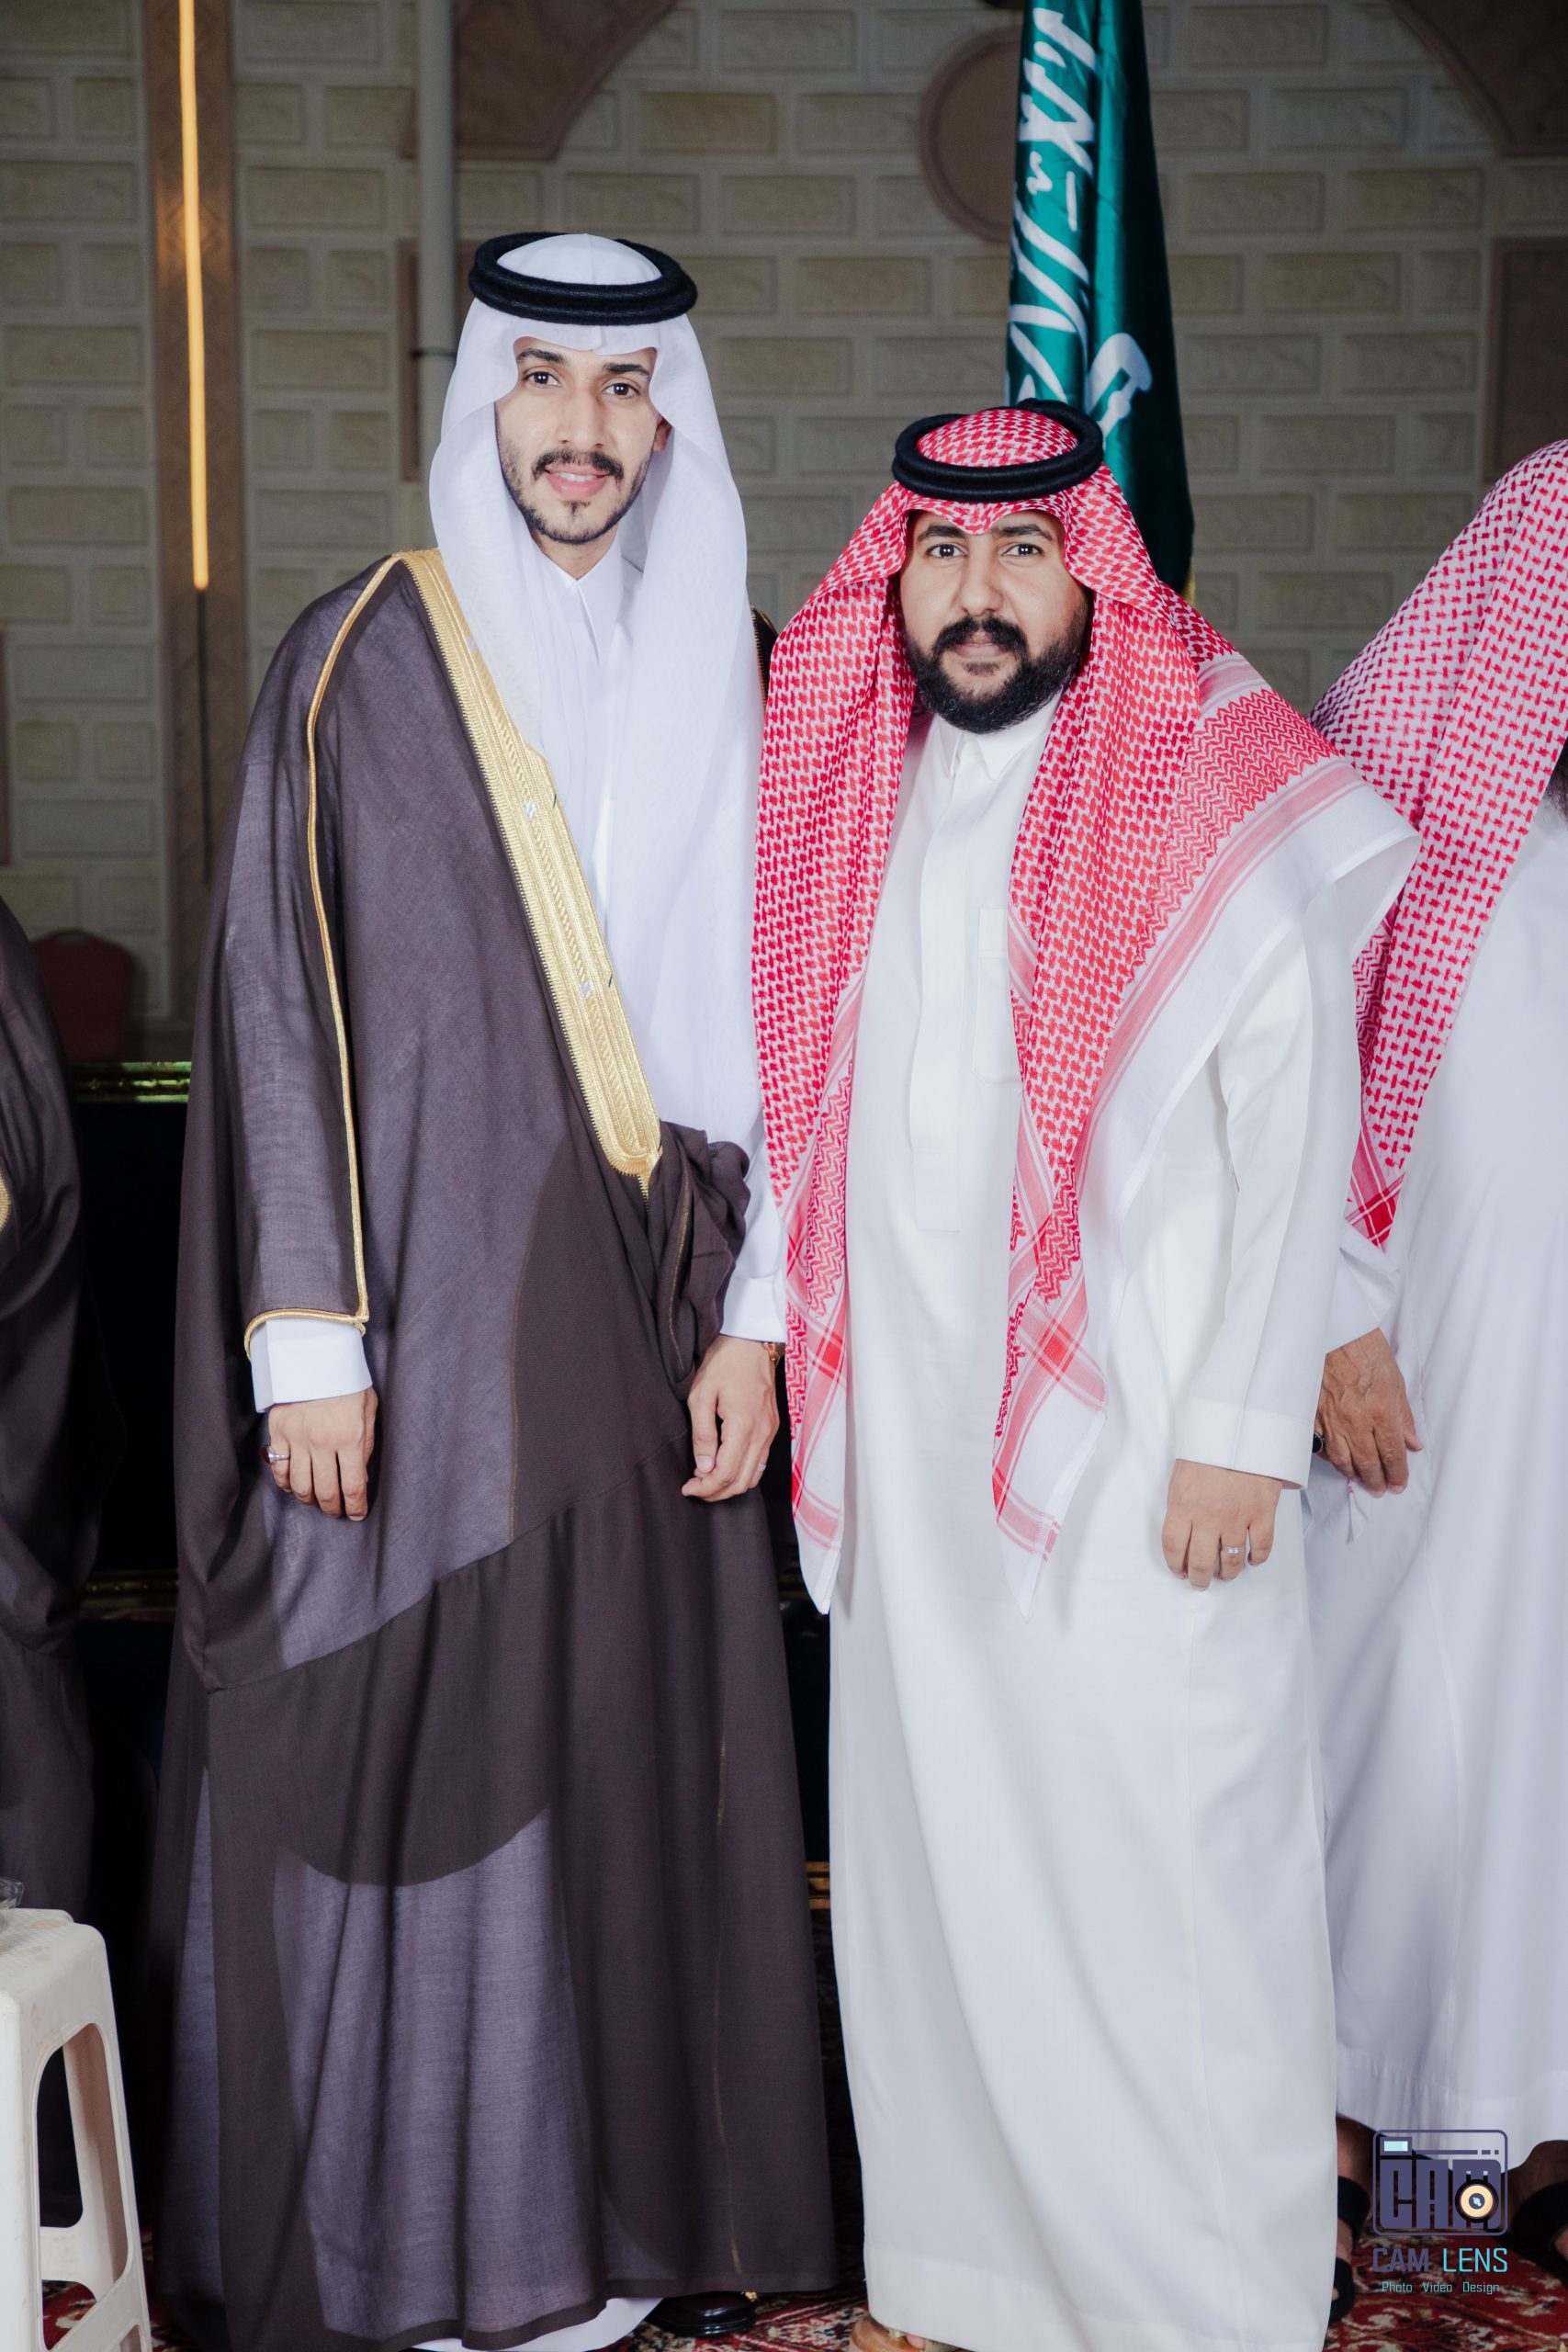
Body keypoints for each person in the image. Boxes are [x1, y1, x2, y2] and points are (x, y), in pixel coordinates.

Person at [151, 232, 832, 2352]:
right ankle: (396, 2237)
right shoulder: (359, 651)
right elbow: (275, 994)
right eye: (542, 379)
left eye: (624, 388)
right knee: (408, 1755)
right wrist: (308, 1338)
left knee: (611, 1751)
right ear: (485, 400)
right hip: (415, 1327)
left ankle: (591, 2227)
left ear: (669, 414)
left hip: (655, 1321)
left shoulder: (742, 659)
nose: (583, 429)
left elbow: (792, 1021)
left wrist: (759, 1320)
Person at [753, 401, 1415, 2352]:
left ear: (1088, 578)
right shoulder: (860, 787)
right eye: (941, 554)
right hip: (916, 1464)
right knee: (942, 1870)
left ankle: (1207, 2297)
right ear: (896, 574)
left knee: (1169, 1877)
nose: (976, 595)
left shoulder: (1204, 773)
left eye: (1022, 554)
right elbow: (802, 1102)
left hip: (1141, 1456)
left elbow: (1299, 1114)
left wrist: (1241, 1429)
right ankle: (976, 2272)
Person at [1304, 442, 1568, 2314]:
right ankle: (1395, 2192)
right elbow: (1290, 1087)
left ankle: (1511, 2179)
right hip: (1430, 1428)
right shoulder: (1407, 831)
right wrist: (1330, 1316)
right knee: (1416, 1783)